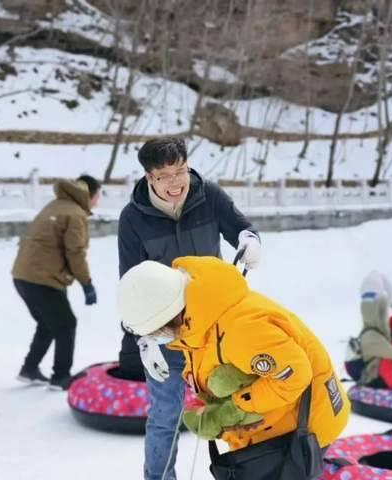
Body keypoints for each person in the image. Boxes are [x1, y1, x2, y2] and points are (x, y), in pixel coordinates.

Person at [116, 137, 261, 480]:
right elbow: (131, 285)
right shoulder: (133, 219)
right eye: (164, 175)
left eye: (180, 170)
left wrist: (251, 240)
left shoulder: (209, 196)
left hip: (218, 331)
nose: (175, 182)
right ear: (149, 177)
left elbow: (242, 228)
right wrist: (144, 340)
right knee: (166, 416)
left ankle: (256, 472)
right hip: (168, 335)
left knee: (242, 407)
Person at [118, 256, 349, 469]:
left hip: (306, 423)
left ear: (169, 316)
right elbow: (209, 354)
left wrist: (233, 410)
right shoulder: (197, 315)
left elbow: (295, 375)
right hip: (272, 423)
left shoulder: (240, 330)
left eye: (157, 333)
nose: (160, 339)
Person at [12, 175, 101, 391]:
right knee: (66, 324)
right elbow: (75, 253)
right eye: (99, 195)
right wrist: (87, 284)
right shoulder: (75, 214)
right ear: (89, 195)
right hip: (43, 279)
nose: (98, 200)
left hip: (23, 276)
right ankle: (60, 377)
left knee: (49, 324)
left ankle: (29, 369)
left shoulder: (55, 206)